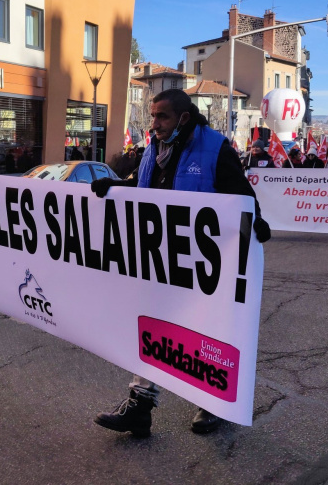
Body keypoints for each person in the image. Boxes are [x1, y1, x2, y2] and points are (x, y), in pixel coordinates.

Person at [89, 89, 271, 437]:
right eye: (153, 116)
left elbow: (241, 193)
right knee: (155, 328)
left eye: (162, 117)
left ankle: (212, 403)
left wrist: (255, 222)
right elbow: (146, 188)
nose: (154, 123)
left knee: (207, 330)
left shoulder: (214, 147)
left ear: (183, 118)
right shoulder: (153, 150)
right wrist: (116, 186)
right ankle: (140, 407)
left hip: (206, 260)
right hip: (159, 257)